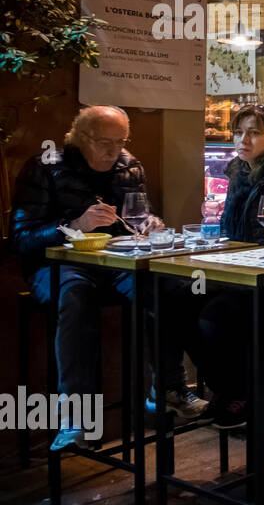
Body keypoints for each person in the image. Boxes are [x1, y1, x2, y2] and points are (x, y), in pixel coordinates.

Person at [11, 106, 201, 449]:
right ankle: (77, 417)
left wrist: (148, 224)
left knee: (167, 288)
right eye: (104, 142)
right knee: (73, 297)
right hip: (54, 265)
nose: (114, 151)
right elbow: (22, 239)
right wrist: (75, 226)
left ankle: (169, 388)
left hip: (115, 263)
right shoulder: (45, 166)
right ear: (80, 137)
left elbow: (137, 216)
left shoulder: (129, 165)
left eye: (120, 141)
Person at [156, 105, 264, 428]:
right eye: (238, 132)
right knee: (173, 302)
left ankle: (248, 392)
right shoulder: (239, 171)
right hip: (238, 273)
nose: (243, 139)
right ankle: (228, 389)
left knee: (215, 317)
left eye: (254, 132)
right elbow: (230, 229)